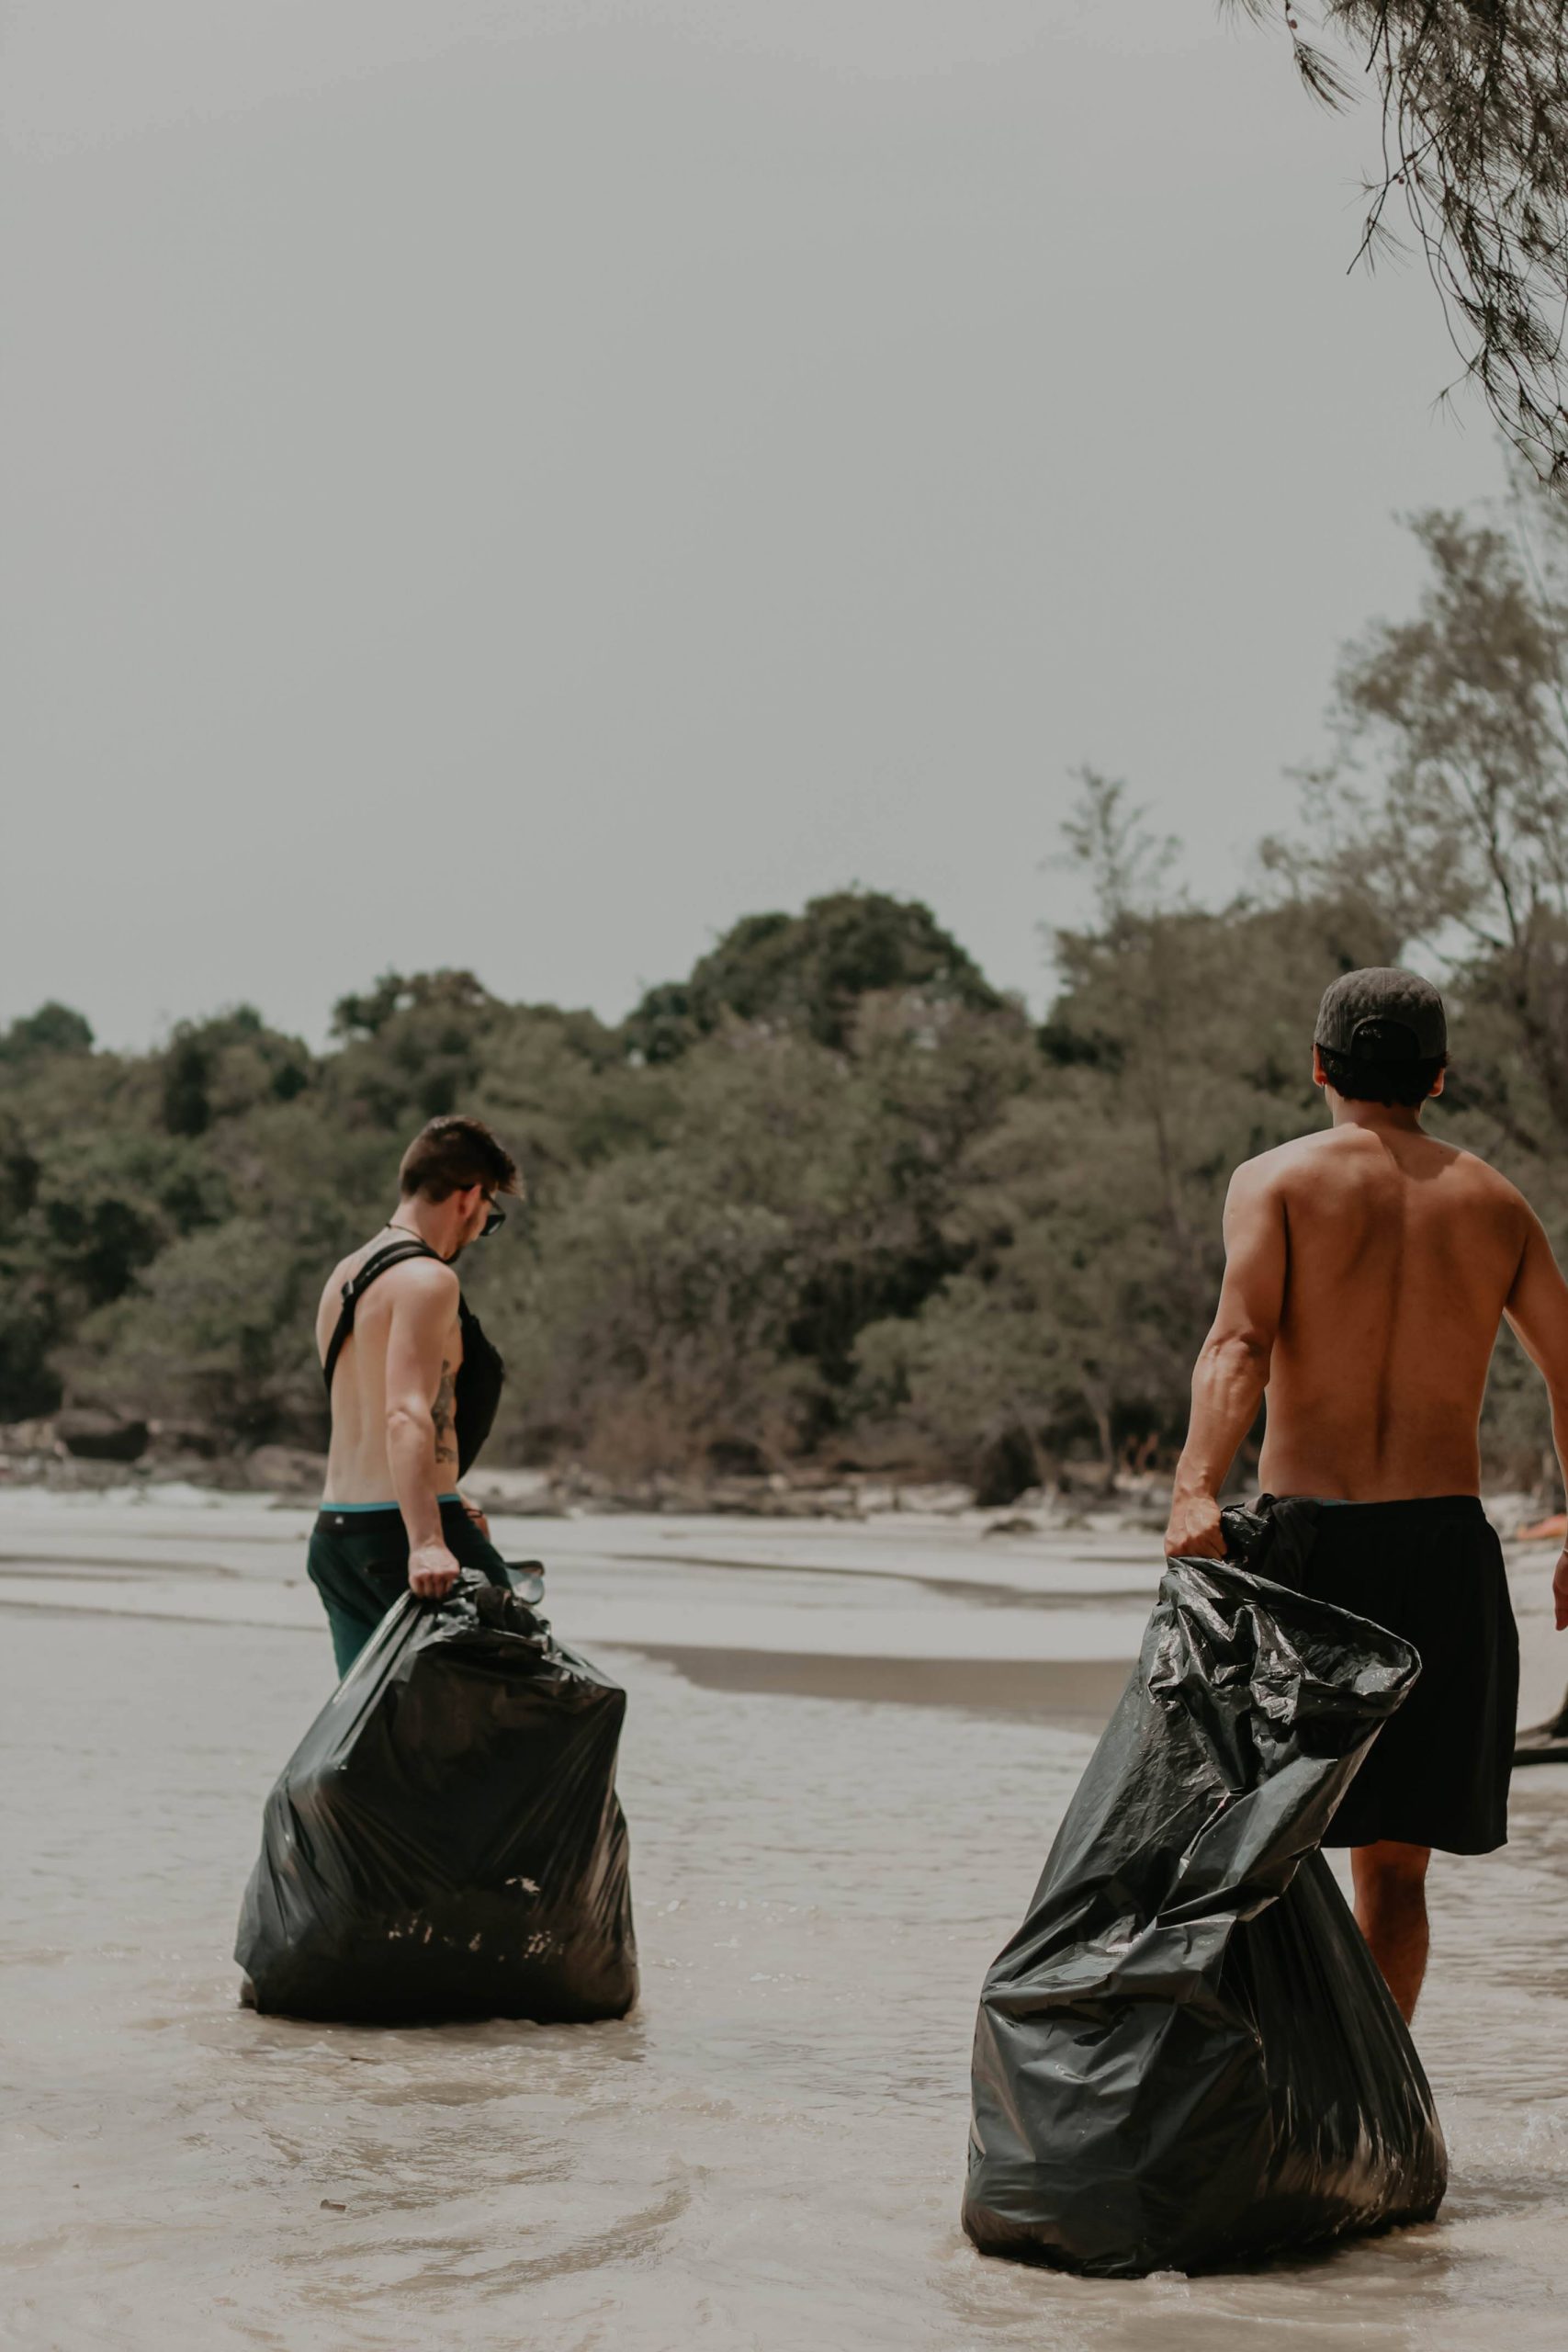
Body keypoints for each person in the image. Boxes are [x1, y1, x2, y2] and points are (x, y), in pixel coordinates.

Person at [1164, 967, 1568, 2022]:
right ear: (1438, 1076)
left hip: (1309, 1556)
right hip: (1441, 1550)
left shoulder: (1276, 1181)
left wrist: (1195, 1486)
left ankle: (1261, 2103)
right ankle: (1373, 2107)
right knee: (1396, 1871)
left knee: (1254, 1840)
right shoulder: (1496, 1203)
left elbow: (1239, 1341)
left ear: (1319, 1067)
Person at [307, 1114, 522, 1675]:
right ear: (469, 1197)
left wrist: (451, 1497)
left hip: (336, 1538)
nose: (478, 1231)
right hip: (399, 1537)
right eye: (488, 1217)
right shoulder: (428, 1280)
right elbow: (404, 1413)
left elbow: (361, 1411)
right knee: (519, 1709)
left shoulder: (344, 1278)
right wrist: (427, 1536)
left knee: (376, 1733)